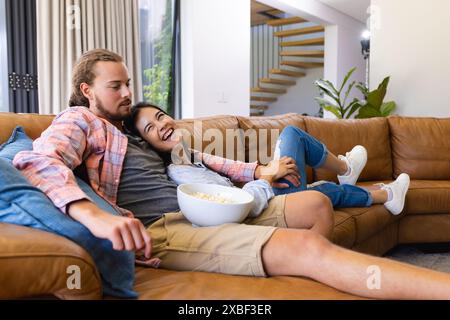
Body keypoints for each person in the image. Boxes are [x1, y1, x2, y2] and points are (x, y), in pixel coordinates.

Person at [13, 48, 450, 299]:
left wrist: (258, 169)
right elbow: (38, 161)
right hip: (164, 227)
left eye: (129, 83)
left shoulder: (135, 132)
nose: (128, 92)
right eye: (116, 86)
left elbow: (207, 161)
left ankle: (304, 270)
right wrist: (93, 214)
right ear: (87, 90)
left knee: (315, 200)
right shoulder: (79, 120)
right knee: (303, 245)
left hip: (207, 210)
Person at [123, 102, 410, 220]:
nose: (160, 125)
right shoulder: (181, 172)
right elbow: (233, 203)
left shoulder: (193, 155)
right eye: (150, 128)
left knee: (293, 141)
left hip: (264, 191)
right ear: (147, 142)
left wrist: (266, 171)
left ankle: (352, 174)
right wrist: (268, 179)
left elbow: (235, 170)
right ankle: (377, 189)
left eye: (160, 116)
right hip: (259, 205)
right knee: (313, 186)